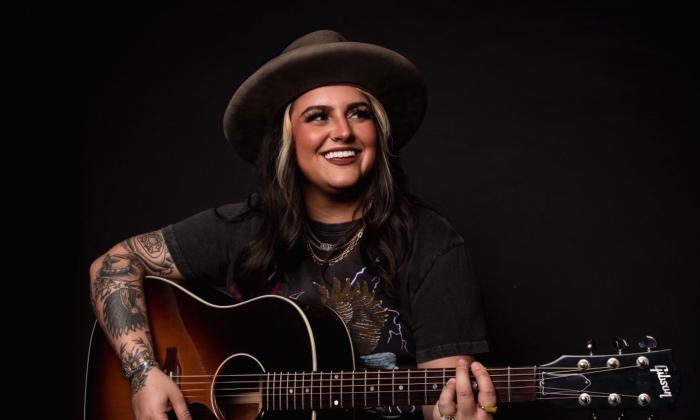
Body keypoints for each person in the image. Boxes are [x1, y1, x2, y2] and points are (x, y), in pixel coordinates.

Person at [89, 29, 497, 420]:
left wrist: (453, 418)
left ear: (378, 131)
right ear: (288, 140)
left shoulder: (431, 242)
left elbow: (442, 395)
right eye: (318, 117)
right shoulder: (243, 227)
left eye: (359, 113)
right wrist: (144, 373)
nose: (342, 132)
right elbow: (111, 266)